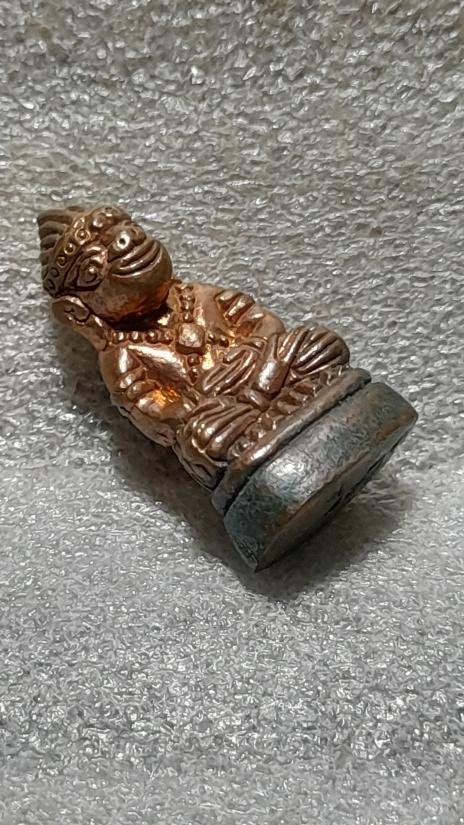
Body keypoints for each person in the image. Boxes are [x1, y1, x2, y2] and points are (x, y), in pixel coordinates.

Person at [38, 205, 349, 487]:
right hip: (221, 411)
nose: (126, 242)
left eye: (129, 229)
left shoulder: (198, 295)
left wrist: (254, 349)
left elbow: (260, 321)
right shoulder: (120, 354)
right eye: (94, 268)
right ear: (76, 310)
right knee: (201, 440)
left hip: (263, 368)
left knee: (317, 344)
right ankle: (274, 431)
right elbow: (147, 408)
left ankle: (291, 412)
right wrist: (183, 410)